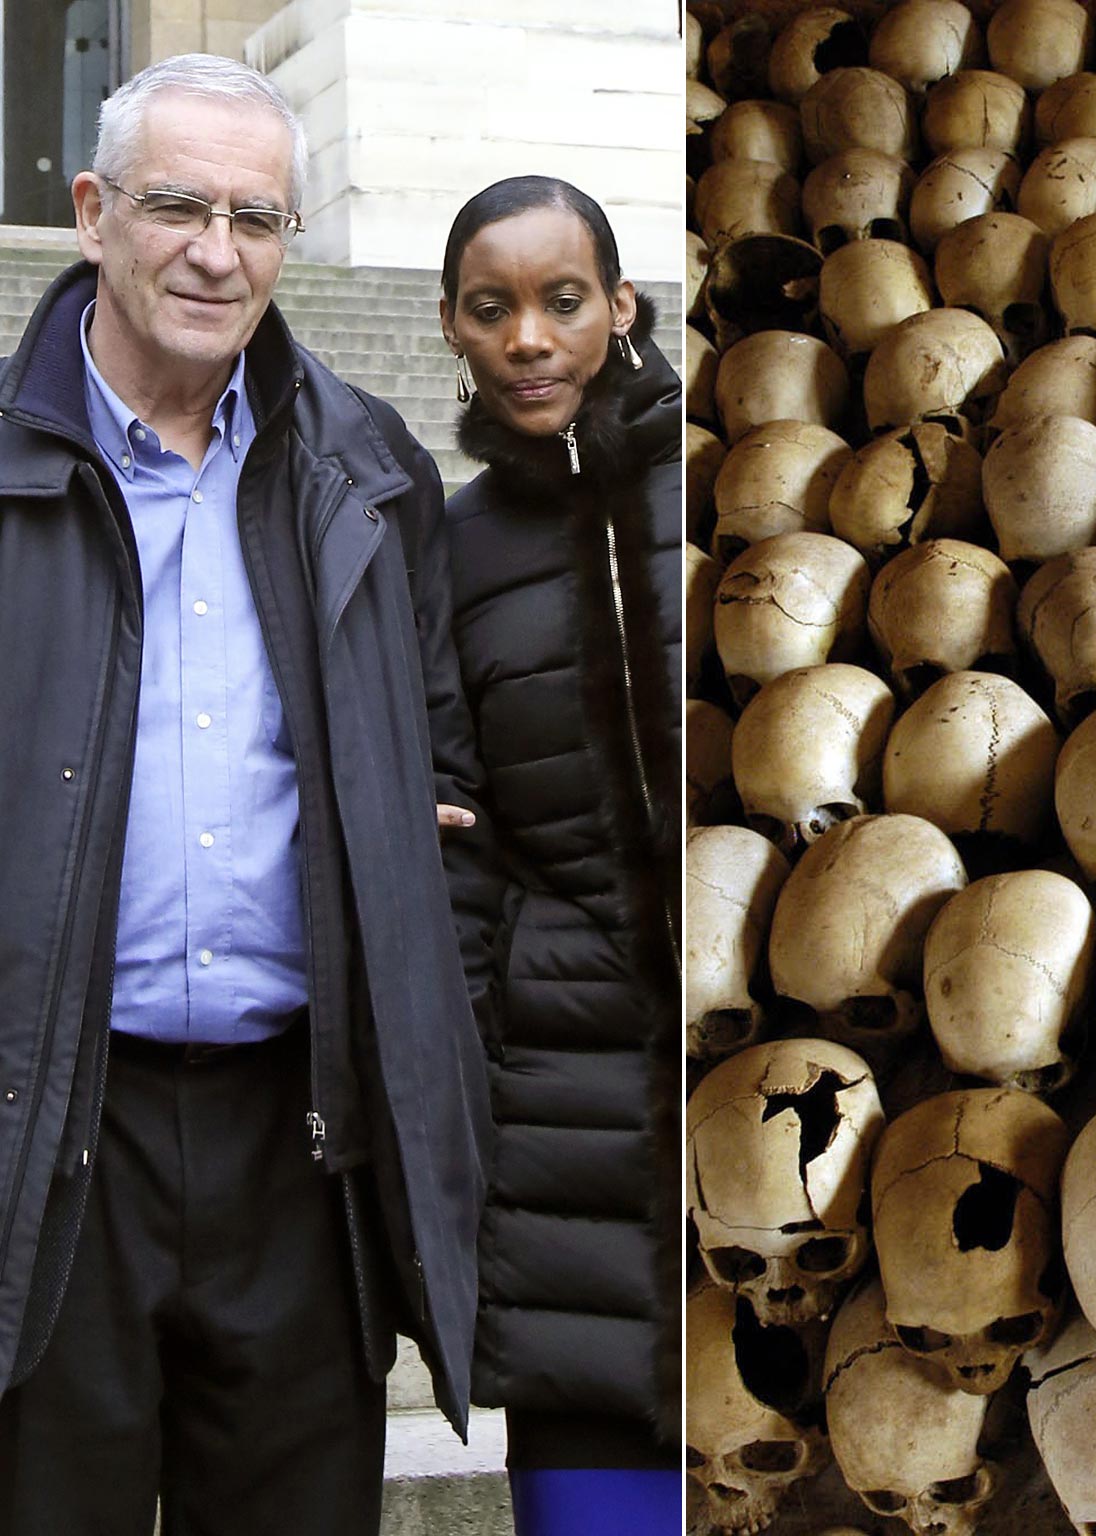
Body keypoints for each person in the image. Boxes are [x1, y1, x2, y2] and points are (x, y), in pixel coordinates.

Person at [0, 53, 493, 1535]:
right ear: (92, 213)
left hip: (304, 1134)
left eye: (257, 218)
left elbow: (445, 765)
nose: (218, 252)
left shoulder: (370, 469)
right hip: (60, 1137)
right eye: (176, 206)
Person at [436, 176, 682, 1534]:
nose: (529, 336)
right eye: (493, 309)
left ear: (620, 307)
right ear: (456, 331)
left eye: (562, 300)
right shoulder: (450, 547)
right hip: (563, 1145)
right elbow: (457, 832)